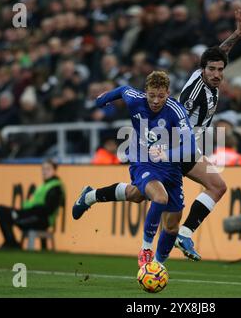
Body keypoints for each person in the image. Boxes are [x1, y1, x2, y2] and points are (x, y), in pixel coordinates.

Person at [73, 9, 241, 262]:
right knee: (214, 186)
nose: (217, 74)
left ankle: (90, 196)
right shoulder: (193, 97)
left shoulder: (205, 74)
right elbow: (179, 123)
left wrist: (237, 35)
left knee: (137, 195)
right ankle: (173, 242)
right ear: (203, 70)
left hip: (182, 146)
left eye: (220, 70)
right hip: (175, 147)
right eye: (212, 70)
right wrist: (168, 149)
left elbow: (217, 55)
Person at [74, 71, 196, 267]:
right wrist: (103, 100)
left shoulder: (176, 110)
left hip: (170, 167)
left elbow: (190, 146)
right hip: (142, 159)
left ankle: (156, 267)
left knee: (168, 222)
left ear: (168, 93)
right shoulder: (135, 99)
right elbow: (123, 90)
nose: (156, 101)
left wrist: (167, 155)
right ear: (145, 91)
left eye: (161, 96)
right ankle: (146, 249)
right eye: (152, 95)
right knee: (159, 197)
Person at [0, 159, 65, 249]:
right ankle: (10, 241)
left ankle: (11, 243)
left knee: (7, 214)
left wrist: (29, 211)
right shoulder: (44, 185)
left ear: (54, 170)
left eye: (48, 169)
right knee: (0, 210)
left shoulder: (56, 187)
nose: (44, 172)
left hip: (41, 219)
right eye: (43, 169)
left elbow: (48, 209)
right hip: (31, 214)